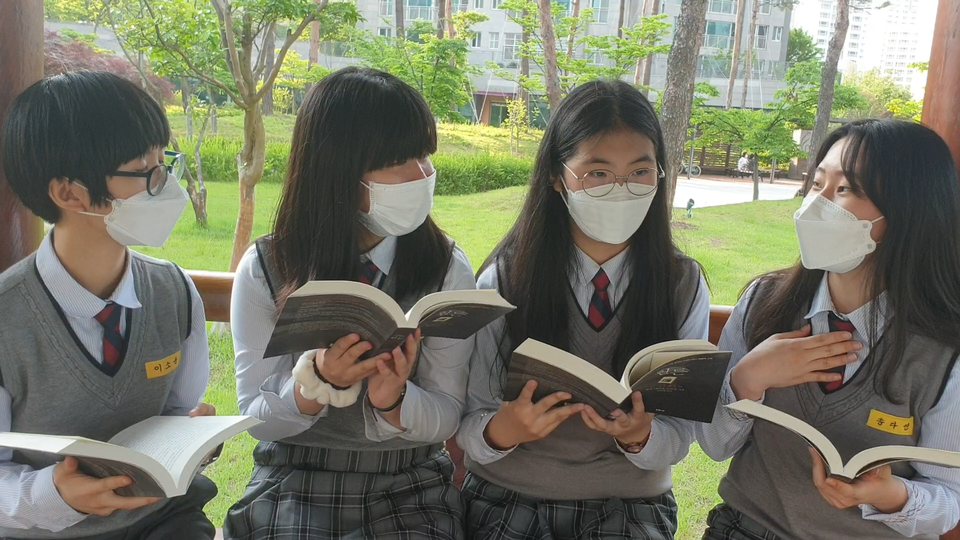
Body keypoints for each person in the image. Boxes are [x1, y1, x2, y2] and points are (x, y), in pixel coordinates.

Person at [223, 67, 475, 540]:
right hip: (294, 476)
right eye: (400, 160)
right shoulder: (268, 265)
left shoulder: (446, 268)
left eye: (424, 155)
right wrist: (314, 385)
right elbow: (253, 417)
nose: (423, 174)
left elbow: (447, 411)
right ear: (338, 169)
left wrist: (395, 400)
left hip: (409, 482)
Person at [457, 79, 710, 540]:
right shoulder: (505, 278)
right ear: (558, 177)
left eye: (639, 172)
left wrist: (639, 437)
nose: (621, 190)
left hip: (630, 507)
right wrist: (503, 429)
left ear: (660, 176)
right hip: (508, 498)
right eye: (597, 173)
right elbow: (470, 420)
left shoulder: (682, 285)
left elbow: (680, 436)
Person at [698, 119, 960, 539]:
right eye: (818, 183)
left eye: (845, 190)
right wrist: (747, 379)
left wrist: (893, 496)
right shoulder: (766, 302)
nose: (817, 205)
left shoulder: (943, 351)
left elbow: (949, 498)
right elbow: (714, 445)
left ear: (910, 209)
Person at [0, 71, 217, 539]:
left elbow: (180, 411)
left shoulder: (174, 291)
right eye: (146, 171)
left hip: (164, 522)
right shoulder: (6, 320)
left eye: (166, 162)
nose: (166, 185)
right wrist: (54, 494)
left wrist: (191, 435)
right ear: (69, 193)